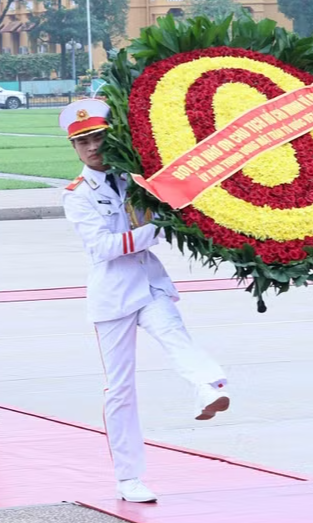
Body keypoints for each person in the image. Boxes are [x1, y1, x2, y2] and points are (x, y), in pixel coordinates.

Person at [59, 99, 229, 504]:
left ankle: (208, 386)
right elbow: (103, 247)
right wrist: (159, 228)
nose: (94, 147)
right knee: (120, 389)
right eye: (84, 142)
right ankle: (128, 477)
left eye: (99, 137)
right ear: (74, 149)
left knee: (175, 335)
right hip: (113, 294)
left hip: (149, 282)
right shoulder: (77, 195)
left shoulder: (135, 176)